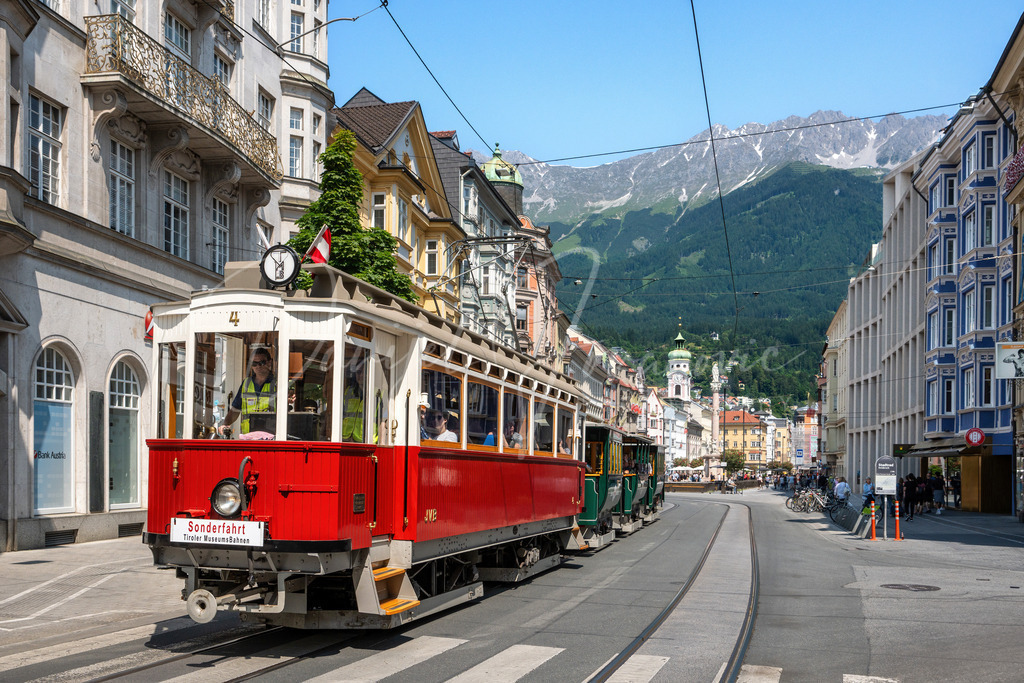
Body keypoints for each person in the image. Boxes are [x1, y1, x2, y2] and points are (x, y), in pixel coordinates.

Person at [218, 347, 277, 437]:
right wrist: (225, 424)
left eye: (261, 363)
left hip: (271, 437)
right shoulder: (246, 384)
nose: (258, 366)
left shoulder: (277, 384)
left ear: (269, 362)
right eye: (254, 363)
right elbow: (235, 409)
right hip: (249, 437)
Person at [341, 361, 365, 442]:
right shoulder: (348, 392)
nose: (361, 375)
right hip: (346, 439)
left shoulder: (376, 394)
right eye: (358, 372)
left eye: (363, 372)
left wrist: (381, 444)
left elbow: (382, 421)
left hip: (366, 441)